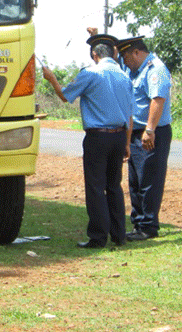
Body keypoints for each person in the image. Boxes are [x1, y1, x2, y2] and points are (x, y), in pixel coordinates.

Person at [42, 34, 133, 248]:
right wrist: (127, 143)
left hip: (98, 136)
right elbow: (129, 114)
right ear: (114, 54)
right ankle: (119, 235)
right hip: (120, 135)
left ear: (94, 55)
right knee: (114, 186)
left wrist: (51, 78)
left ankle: (98, 237)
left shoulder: (90, 74)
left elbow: (65, 96)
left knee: (95, 187)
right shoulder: (124, 77)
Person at [116, 36, 173, 241]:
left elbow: (158, 99)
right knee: (136, 180)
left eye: (126, 56)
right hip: (136, 132)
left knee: (149, 180)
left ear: (137, 53)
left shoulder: (155, 69)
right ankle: (138, 224)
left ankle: (148, 227)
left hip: (151, 132)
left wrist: (149, 130)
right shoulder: (135, 69)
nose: (124, 61)